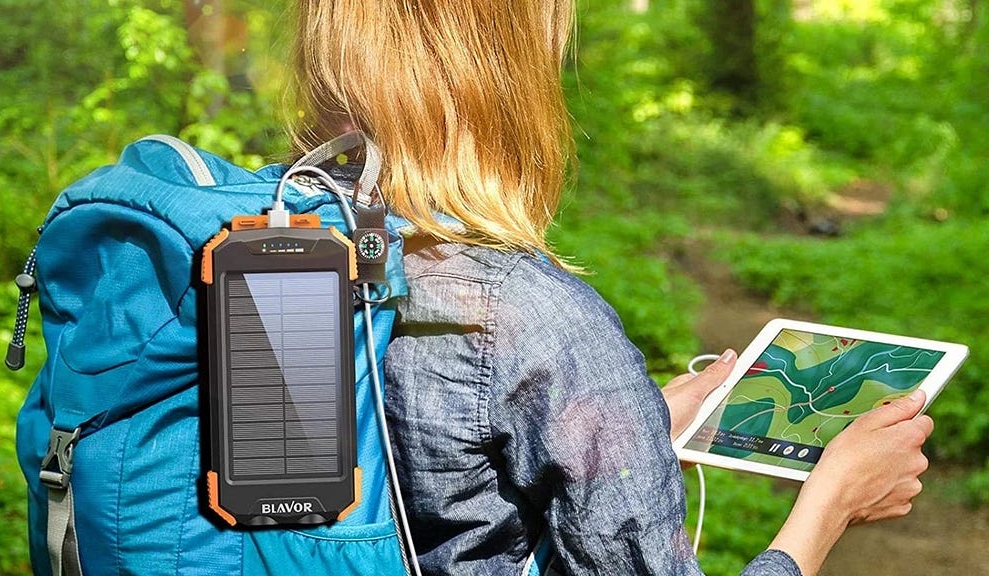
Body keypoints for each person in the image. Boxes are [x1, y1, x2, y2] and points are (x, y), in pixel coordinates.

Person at [288, 1, 933, 574]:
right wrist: (830, 503)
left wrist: (626, 435)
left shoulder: (253, 249)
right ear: (508, 78)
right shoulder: (529, 318)